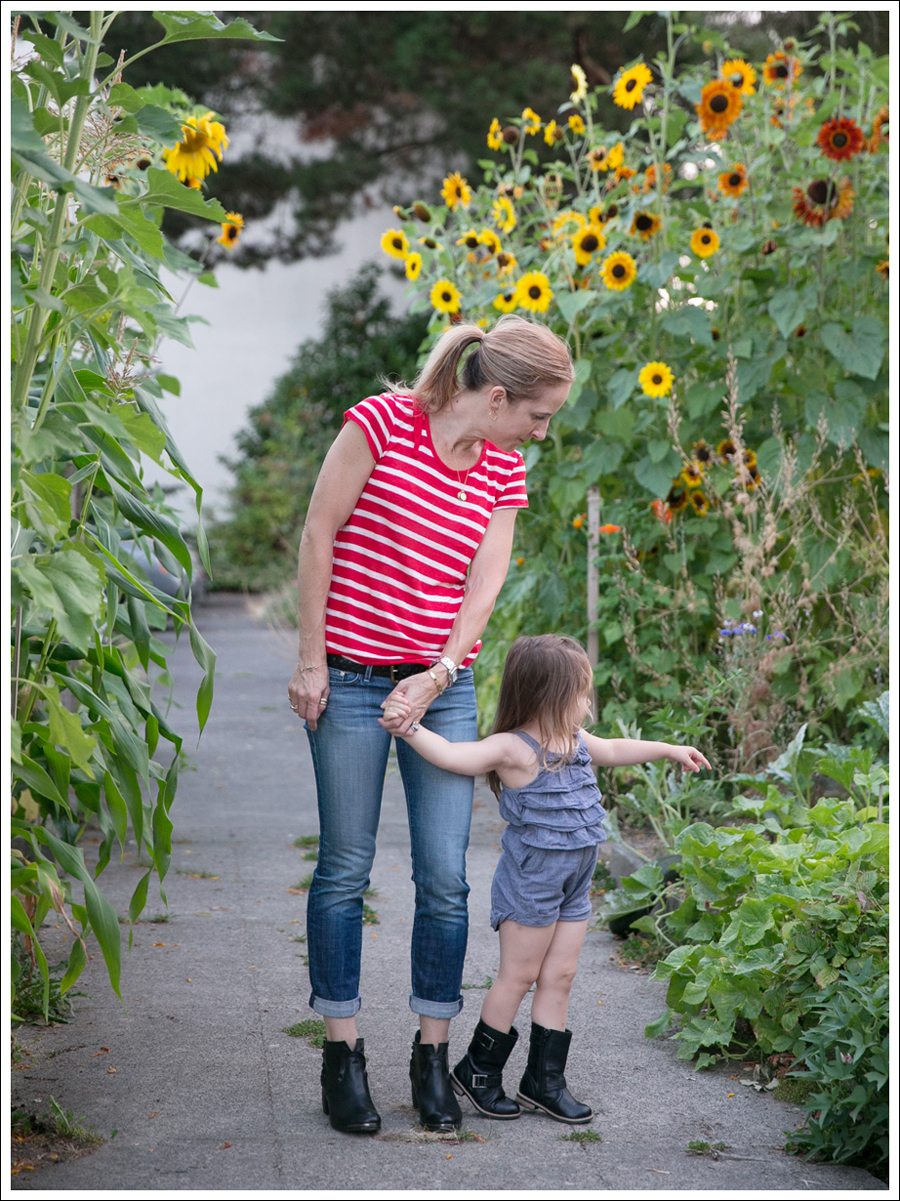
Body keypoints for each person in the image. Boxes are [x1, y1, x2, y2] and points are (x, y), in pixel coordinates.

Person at [287, 316, 576, 1134]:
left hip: (441, 688)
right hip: (345, 679)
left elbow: (486, 578)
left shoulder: (502, 466)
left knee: (446, 879)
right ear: (495, 396)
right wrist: (311, 659)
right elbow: (319, 533)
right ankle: (342, 1055)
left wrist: (442, 672)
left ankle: (431, 1056)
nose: (541, 431)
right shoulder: (378, 423)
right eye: (538, 413)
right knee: (344, 868)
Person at [381, 634, 711, 1124]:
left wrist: (668, 749)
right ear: (551, 696)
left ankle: (543, 1080)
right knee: (520, 976)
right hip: (532, 882)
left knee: (561, 974)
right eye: (582, 693)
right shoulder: (514, 748)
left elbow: (617, 748)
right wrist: (408, 729)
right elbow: (454, 756)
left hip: (574, 881)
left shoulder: (575, 742)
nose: (588, 703)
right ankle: (478, 1072)